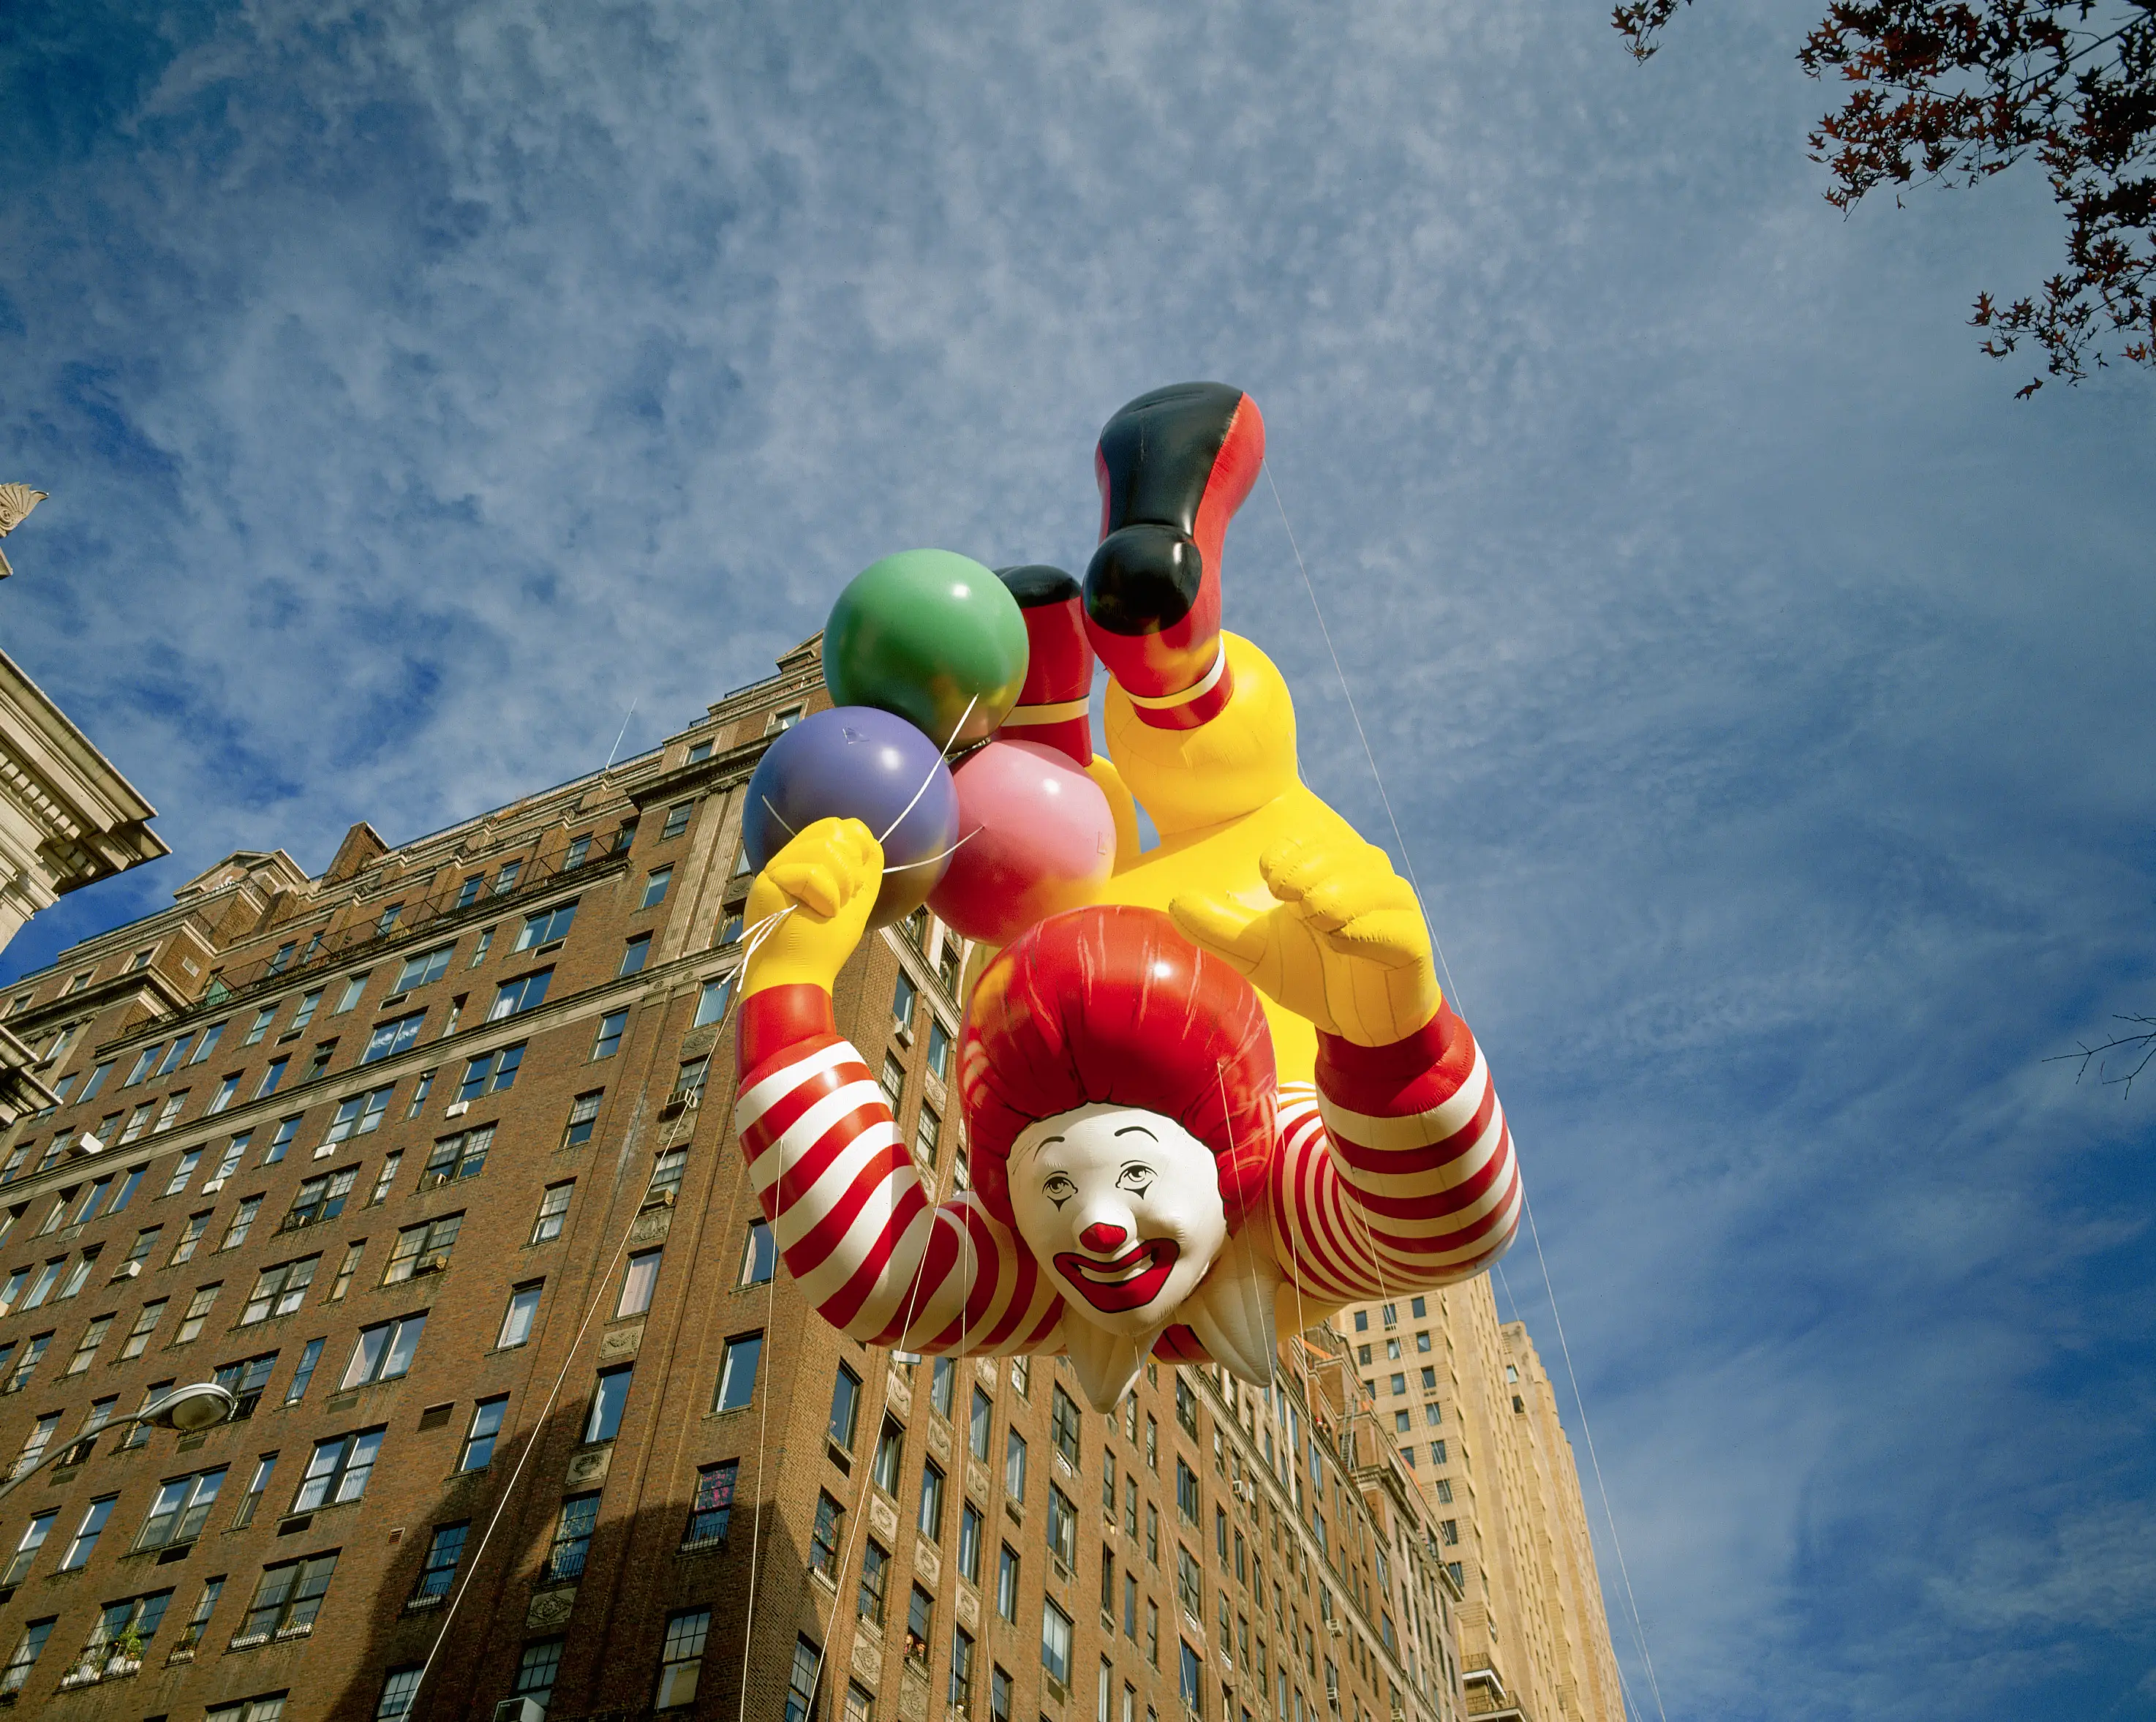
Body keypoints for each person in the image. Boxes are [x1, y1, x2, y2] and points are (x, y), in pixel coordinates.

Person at [732, 816, 1519, 1412]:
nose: (1097, 1226)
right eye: (1056, 1189)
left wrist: (1392, 1041)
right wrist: (787, 971)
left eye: (1136, 1170)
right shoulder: (1036, 1265)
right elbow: (875, 1273)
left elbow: (1448, 1229)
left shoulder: (1278, 1179)